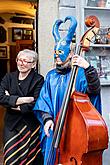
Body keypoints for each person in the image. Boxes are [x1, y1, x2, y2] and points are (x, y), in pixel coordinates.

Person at [33, 16, 101, 164]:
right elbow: (44, 100)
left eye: (61, 54)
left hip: (76, 129)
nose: (57, 58)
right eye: (55, 54)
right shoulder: (51, 76)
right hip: (55, 128)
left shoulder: (81, 73)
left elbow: (94, 90)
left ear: (70, 54)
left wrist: (88, 68)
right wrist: (47, 119)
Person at [0, 49, 44, 165]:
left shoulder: (38, 79)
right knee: (11, 158)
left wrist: (11, 102)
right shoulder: (8, 77)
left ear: (33, 64)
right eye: (19, 60)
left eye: (26, 61)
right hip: (11, 124)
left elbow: (36, 103)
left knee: (30, 158)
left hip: (29, 124)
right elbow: (1, 98)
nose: (21, 63)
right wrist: (24, 99)